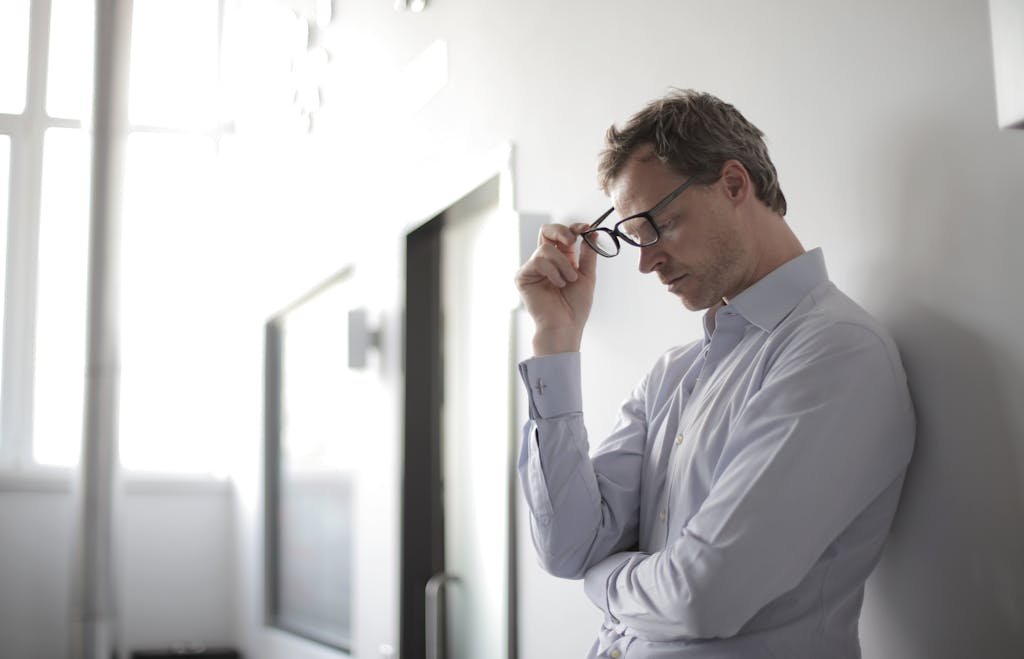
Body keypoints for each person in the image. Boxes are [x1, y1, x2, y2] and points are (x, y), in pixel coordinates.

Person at [513, 89, 915, 658]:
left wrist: (603, 581)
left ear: (733, 184)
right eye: (632, 236)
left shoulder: (836, 350)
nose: (646, 261)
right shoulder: (672, 374)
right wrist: (556, 339)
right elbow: (567, 546)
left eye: (658, 224)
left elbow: (702, 596)